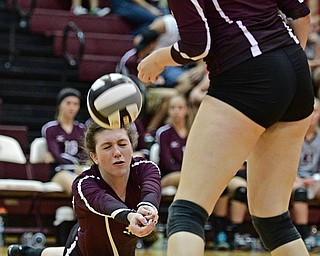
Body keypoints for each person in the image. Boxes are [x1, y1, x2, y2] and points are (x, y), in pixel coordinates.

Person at [137, 0, 314, 255]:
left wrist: (158, 58)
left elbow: (197, 46)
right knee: (273, 220)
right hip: (295, 71)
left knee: (187, 210)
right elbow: (301, 14)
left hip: (247, 72)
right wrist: (283, 73)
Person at [7, 122, 161, 256]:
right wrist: (129, 216)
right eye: (107, 147)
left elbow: (151, 188)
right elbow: (104, 202)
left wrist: (147, 208)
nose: (117, 152)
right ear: (94, 157)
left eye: (122, 144)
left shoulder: (145, 168)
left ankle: (26, 252)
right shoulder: (84, 183)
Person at [41, 88, 87, 196]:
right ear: (60, 105)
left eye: (76, 104)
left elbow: (85, 154)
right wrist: (75, 165)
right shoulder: (50, 128)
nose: (72, 107)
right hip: (58, 171)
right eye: (68, 103)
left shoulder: (82, 129)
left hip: (80, 170)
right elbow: (56, 154)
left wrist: (80, 167)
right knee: (76, 186)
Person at [291, 98, 320, 251]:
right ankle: (303, 237)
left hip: (314, 180)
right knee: (300, 191)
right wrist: (299, 179)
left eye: (315, 111)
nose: (311, 115)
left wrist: (314, 179)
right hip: (291, 180)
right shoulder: (290, 136)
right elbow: (283, 166)